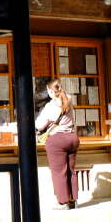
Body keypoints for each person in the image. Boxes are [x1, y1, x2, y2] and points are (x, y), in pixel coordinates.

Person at [35, 79, 80, 209]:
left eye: (47, 91)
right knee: (71, 170)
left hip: (57, 140)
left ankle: (62, 202)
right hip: (72, 138)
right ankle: (73, 200)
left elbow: (39, 125)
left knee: (59, 172)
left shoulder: (51, 106)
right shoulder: (69, 100)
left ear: (50, 91)